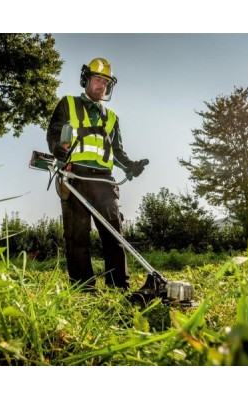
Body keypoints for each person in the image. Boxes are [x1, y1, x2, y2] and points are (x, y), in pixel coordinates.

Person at [46, 57, 147, 291]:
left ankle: (118, 286)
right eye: (96, 79)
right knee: (77, 236)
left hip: (103, 179)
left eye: (105, 82)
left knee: (114, 234)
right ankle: (84, 289)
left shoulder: (112, 118)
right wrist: (58, 149)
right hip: (75, 177)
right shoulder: (67, 104)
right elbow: (53, 133)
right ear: (86, 79)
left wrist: (130, 166)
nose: (101, 85)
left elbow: (117, 150)